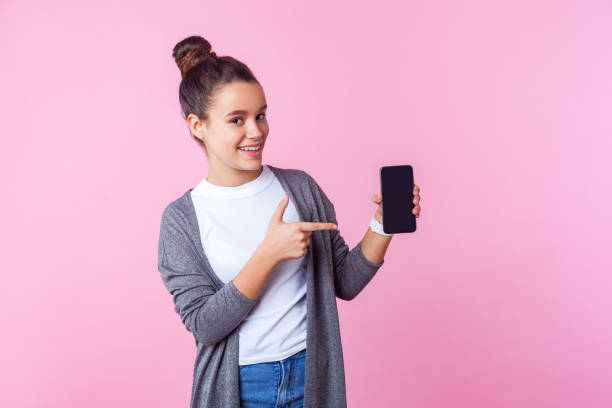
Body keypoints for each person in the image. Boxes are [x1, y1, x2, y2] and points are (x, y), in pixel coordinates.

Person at [157, 35, 422, 408]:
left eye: (260, 115)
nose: (256, 131)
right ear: (198, 125)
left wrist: (382, 225)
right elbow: (205, 325)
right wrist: (268, 254)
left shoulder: (300, 188)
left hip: (310, 375)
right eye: (237, 120)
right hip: (242, 387)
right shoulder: (181, 221)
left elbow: (344, 281)